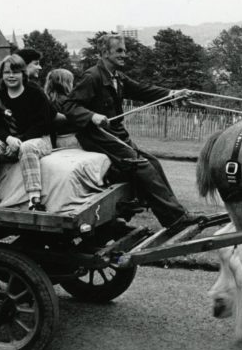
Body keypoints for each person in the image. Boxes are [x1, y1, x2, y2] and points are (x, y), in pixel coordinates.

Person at [62, 34, 200, 232]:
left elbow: (142, 90)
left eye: (124, 50)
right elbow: (69, 105)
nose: (124, 55)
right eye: (119, 51)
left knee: (153, 163)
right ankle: (175, 220)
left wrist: (173, 94)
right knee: (142, 166)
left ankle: (173, 213)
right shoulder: (92, 77)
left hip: (116, 134)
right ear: (104, 53)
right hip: (97, 136)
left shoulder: (116, 76)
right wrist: (92, 116)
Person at [0, 55, 54, 211]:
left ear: (23, 74)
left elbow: (43, 122)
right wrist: (8, 138)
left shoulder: (35, 93)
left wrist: (20, 141)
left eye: (15, 72)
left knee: (27, 147)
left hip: (38, 139)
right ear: (1, 75)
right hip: (11, 140)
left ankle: (34, 198)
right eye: (7, 72)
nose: (11, 76)